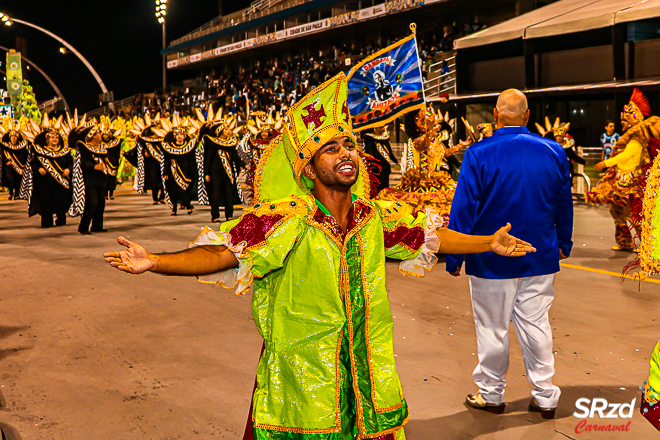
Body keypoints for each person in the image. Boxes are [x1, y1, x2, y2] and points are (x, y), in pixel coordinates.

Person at [104, 73, 535, 440]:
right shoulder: (285, 219)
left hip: (369, 378)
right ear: (309, 170)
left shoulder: (374, 218)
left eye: (349, 144)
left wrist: (486, 243)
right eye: (331, 148)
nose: (347, 152)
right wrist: (156, 261)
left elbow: (431, 239)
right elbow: (223, 255)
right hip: (305, 383)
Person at [446, 88, 573, 419]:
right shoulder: (555, 151)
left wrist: (455, 255)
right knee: (537, 325)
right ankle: (546, 395)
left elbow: (464, 207)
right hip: (539, 255)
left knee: (492, 328)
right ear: (528, 116)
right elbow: (564, 203)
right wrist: (564, 242)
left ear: (496, 115)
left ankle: (492, 394)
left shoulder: (478, 154)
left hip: (491, 259)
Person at [588, 89, 660, 252]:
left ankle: (646, 245)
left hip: (633, 182)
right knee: (616, 210)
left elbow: (628, 154)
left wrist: (604, 163)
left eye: (629, 113)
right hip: (622, 179)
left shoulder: (639, 134)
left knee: (634, 214)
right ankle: (624, 242)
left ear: (637, 116)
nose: (624, 117)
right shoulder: (629, 134)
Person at [20, 115, 73, 228]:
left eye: (57, 137)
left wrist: (69, 169)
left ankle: (61, 220)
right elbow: (32, 164)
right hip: (44, 182)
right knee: (46, 202)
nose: (55, 139)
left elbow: (71, 163)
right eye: (52, 137)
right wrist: (39, 169)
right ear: (47, 139)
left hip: (61, 182)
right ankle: (47, 222)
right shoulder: (39, 151)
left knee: (61, 201)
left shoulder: (65, 150)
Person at [196, 110, 242, 222]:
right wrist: (206, 173)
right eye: (226, 129)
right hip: (215, 173)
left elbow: (235, 157)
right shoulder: (212, 143)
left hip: (228, 174)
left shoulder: (230, 143)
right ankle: (215, 216)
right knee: (215, 195)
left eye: (229, 129)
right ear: (220, 130)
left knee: (229, 195)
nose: (228, 131)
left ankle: (229, 215)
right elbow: (208, 159)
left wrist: (245, 166)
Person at [153, 115, 200, 216]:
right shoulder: (169, 148)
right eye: (177, 134)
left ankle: (187, 205)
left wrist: (194, 173)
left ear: (184, 136)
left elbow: (192, 161)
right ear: (174, 136)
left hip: (186, 172)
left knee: (183, 191)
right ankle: (174, 209)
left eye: (181, 134)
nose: (179, 136)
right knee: (172, 191)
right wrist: (165, 172)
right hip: (172, 173)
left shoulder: (189, 147)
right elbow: (166, 161)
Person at [362, 124, 398, 192]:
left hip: (385, 166)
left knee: (385, 185)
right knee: (378, 186)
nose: (383, 129)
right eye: (381, 127)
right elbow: (369, 153)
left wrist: (395, 160)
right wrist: (373, 165)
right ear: (376, 128)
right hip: (377, 168)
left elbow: (389, 150)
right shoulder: (370, 139)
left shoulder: (385, 137)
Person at [0, 120, 29, 200]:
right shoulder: (5, 146)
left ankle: (16, 194)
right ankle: (10, 192)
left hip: (20, 166)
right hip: (9, 165)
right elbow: (2, 155)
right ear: (9, 137)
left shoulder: (21, 146)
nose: (14, 138)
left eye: (15, 136)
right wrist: (6, 161)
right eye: (12, 136)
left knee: (18, 180)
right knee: (10, 179)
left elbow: (26, 155)